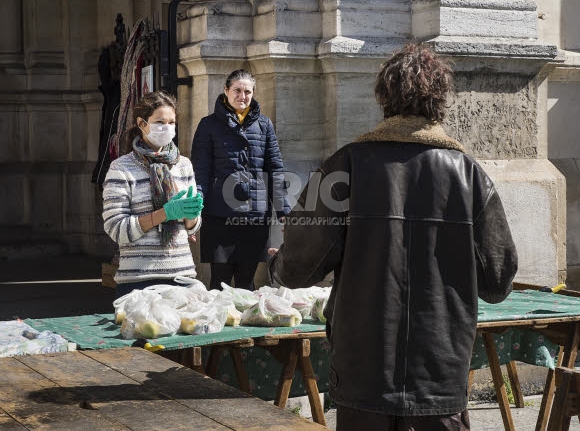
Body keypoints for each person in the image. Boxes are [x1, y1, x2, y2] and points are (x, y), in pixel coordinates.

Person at [269, 43, 518, 430]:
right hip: (439, 370)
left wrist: (275, 265)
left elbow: (297, 270)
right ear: (439, 100)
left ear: (384, 97)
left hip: (364, 368)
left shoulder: (346, 165)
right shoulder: (469, 175)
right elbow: (498, 281)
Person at [191, 69, 290, 290]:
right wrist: (195, 210)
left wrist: (283, 210)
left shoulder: (264, 125)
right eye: (237, 90)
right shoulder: (208, 125)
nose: (242, 96)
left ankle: (247, 323)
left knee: (247, 281)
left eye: (247, 91)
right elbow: (201, 170)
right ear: (226, 91)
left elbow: (274, 168)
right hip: (219, 216)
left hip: (254, 215)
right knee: (220, 282)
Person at [103, 91, 203, 298]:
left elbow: (191, 227)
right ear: (141, 123)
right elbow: (115, 228)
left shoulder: (183, 165)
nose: (167, 128)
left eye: (172, 122)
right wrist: (163, 214)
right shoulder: (121, 168)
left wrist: (192, 215)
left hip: (181, 277)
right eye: (160, 122)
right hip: (138, 282)